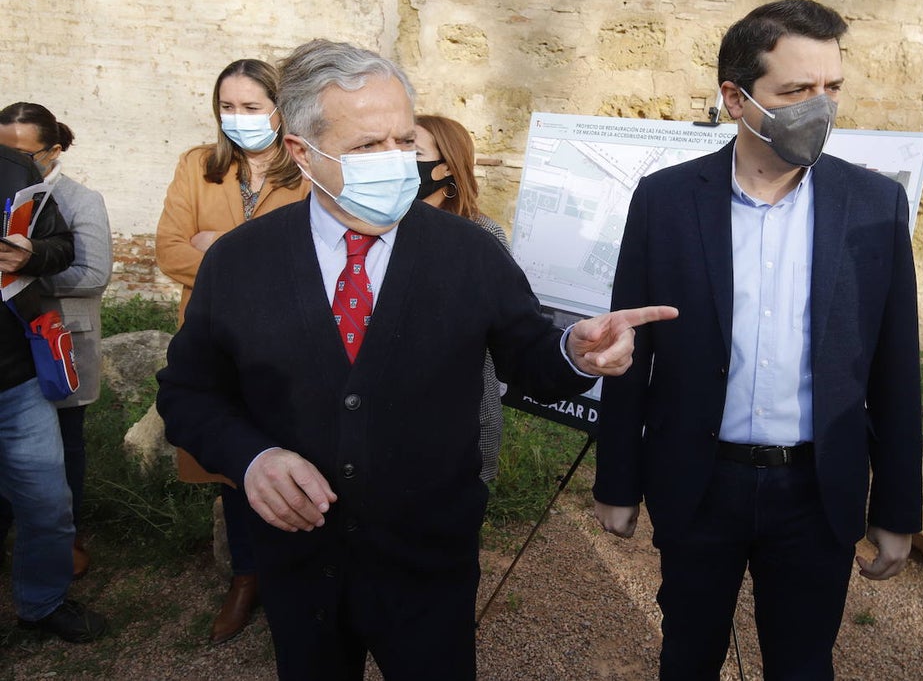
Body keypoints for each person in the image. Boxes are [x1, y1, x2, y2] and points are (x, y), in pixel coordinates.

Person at [156, 38, 676, 681]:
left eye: (404, 139)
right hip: (299, 567)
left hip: (429, 564)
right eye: (368, 146)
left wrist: (574, 350)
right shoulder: (239, 262)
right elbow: (188, 394)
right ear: (301, 152)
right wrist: (252, 458)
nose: (397, 161)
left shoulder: (469, 252)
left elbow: (529, 355)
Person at [593, 0, 923, 680]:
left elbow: (894, 368)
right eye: (797, 90)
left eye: (832, 88)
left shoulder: (873, 206)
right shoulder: (665, 200)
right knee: (688, 653)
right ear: (735, 98)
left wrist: (895, 505)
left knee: (803, 664)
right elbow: (629, 347)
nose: (820, 107)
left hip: (815, 488)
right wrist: (617, 481)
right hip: (699, 481)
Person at [155, 58, 310, 645]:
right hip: (213, 343)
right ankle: (246, 577)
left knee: (295, 451)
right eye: (228, 107)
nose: (239, 118)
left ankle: (297, 575)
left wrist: (218, 251)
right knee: (233, 464)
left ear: (280, 109)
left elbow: (307, 263)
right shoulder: (198, 165)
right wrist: (248, 260)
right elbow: (169, 251)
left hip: (287, 344)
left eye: (252, 106)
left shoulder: (305, 167)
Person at [0, 102, 113, 581]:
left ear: (54, 151)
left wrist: (24, 272)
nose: (17, 163)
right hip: (11, 348)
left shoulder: (79, 199)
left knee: (63, 450)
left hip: (57, 341)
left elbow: (93, 273)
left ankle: (66, 542)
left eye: (27, 154)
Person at [413, 113, 508, 482]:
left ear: (446, 168)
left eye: (414, 151)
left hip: (464, 413)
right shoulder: (379, 228)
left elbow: (499, 333)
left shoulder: (483, 235)